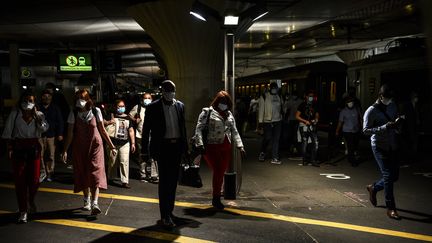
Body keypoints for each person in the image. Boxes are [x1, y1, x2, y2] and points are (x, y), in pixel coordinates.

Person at [61, 89, 117, 216]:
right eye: (78, 98)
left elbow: (102, 130)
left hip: (95, 146)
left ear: (88, 99)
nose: (80, 101)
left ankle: (95, 202)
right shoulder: (73, 113)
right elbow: (70, 134)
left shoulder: (95, 111)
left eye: (82, 98)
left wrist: (112, 146)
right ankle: (86, 199)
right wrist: (64, 150)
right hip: (79, 147)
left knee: (95, 172)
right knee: (82, 172)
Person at [141, 80, 188, 228]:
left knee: (173, 182)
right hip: (163, 148)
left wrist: (185, 149)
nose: (170, 93)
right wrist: (145, 151)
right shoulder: (153, 108)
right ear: (162, 91)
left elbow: (183, 128)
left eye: (172, 90)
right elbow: (146, 131)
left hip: (176, 147)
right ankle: (165, 215)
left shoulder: (180, 106)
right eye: (167, 90)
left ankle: (170, 211)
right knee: (165, 182)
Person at [2, 91, 49, 223]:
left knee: (34, 180)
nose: (27, 103)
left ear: (34, 103)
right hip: (19, 149)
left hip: (33, 148)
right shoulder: (15, 114)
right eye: (25, 100)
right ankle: (23, 211)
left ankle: (30, 200)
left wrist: (38, 118)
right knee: (20, 181)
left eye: (30, 100)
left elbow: (45, 129)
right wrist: (9, 148)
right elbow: (7, 132)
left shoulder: (39, 115)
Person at [194, 91, 246, 210]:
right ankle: (216, 198)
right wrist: (200, 144)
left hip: (225, 146)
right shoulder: (207, 112)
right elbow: (199, 129)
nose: (224, 104)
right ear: (217, 101)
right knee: (218, 171)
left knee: (221, 172)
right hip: (211, 146)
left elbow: (234, 131)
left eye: (226, 102)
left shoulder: (229, 114)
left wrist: (240, 146)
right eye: (222, 102)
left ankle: (218, 193)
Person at [363, 84, 402, 220]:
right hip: (379, 146)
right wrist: (384, 127)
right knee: (387, 175)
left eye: (391, 98)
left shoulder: (392, 105)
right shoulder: (371, 111)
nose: (389, 100)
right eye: (387, 98)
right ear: (381, 96)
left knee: (394, 176)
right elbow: (365, 130)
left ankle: (374, 188)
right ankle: (390, 208)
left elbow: (395, 118)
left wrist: (398, 123)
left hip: (393, 144)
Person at [105, 100, 135, 188]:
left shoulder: (128, 118)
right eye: (119, 106)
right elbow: (102, 124)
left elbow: (131, 130)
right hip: (112, 143)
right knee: (112, 161)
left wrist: (133, 143)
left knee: (124, 162)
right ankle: (110, 178)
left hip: (125, 143)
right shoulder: (111, 115)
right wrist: (109, 122)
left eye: (123, 106)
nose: (121, 108)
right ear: (115, 107)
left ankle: (125, 181)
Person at [129, 93, 159, 182]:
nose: (147, 99)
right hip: (140, 136)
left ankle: (154, 175)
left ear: (152, 99)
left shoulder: (156, 108)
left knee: (154, 156)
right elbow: (129, 115)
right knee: (142, 156)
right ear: (142, 99)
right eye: (145, 98)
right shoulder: (138, 108)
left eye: (149, 98)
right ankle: (143, 175)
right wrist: (135, 120)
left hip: (153, 136)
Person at [38, 89, 64, 182]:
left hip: (51, 135)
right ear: (42, 97)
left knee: (51, 155)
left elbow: (60, 121)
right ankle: (42, 172)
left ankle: (50, 173)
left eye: (49, 97)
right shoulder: (37, 107)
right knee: (40, 155)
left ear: (51, 98)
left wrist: (60, 133)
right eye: (45, 96)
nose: (47, 98)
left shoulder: (55, 108)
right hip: (39, 135)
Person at [258, 82, 283, 164]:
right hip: (267, 121)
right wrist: (260, 123)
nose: (274, 89)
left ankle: (275, 157)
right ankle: (262, 152)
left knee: (276, 139)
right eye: (273, 88)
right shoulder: (264, 96)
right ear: (270, 88)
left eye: (276, 88)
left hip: (277, 121)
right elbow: (261, 110)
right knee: (267, 137)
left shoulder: (279, 96)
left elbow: (282, 107)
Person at [336, 97, 362, 166]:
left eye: (351, 101)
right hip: (347, 131)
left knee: (355, 145)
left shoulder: (356, 109)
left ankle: (352, 156)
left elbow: (360, 118)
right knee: (350, 146)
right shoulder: (343, 111)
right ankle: (352, 160)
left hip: (356, 130)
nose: (350, 103)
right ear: (346, 103)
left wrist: (362, 127)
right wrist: (337, 130)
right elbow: (340, 122)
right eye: (349, 102)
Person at [296, 90, 320, 167]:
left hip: (312, 126)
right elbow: (297, 116)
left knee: (315, 142)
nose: (311, 97)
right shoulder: (302, 105)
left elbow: (317, 114)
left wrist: (316, 119)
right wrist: (305, 121)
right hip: (303, 126)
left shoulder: (315, 105)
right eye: (309, 96)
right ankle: (305, 159)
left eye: (312, 96)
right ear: (306, 97)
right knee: (305, 142)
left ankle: (313, 160)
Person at [282, 90, 302, 156]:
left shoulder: (300, 101)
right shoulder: (289, 101)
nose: (294, 96)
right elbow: (284, 110)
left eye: (295, 95)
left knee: (296, 135)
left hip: (297, 120)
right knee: (291, 134)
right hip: (291, 120)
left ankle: (295, 148)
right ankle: (292, 147)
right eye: (293, 95)